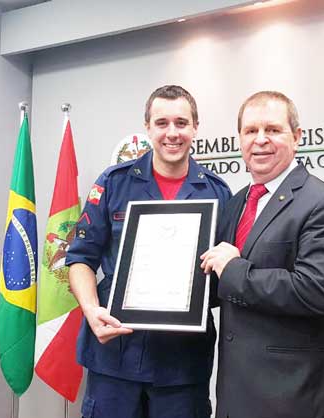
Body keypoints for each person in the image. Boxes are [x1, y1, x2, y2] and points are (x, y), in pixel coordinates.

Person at [66, 85, 231, 418]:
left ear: (195, 128)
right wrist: (91, 309)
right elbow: (80, 258)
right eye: (162, 123)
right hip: (115, 356)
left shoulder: (217, 192)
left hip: (182, 367)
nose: (172, 133)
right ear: (148, 127)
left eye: (182, 123)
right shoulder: (114, 182)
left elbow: (221, 280)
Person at [200, 91, 324, 418]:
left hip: (292, 396)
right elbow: (221, 284)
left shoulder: (323, 203)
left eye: (272, 130)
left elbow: (318, 290)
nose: (260, 140)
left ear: (297, 137)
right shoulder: (236, 202)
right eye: (250, 131)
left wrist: (234, 269)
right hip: (235, 393)